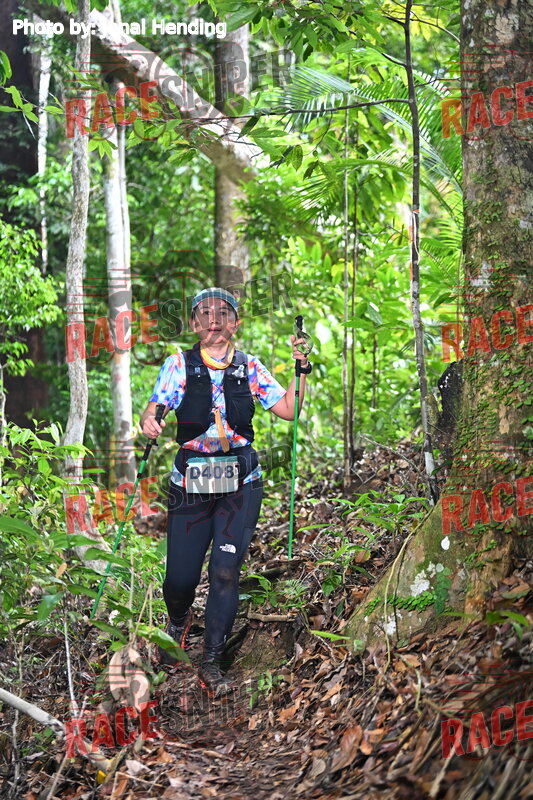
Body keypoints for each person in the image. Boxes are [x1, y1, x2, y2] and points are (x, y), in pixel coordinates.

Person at [140, 287, 312, 697]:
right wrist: (149, 421)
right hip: (191, 484)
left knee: (224, 571)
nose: (214, 320)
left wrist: (301, 368)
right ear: (194, 323)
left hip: (240, 483)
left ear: (235, 323)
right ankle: (178, 622)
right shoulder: (178, 365)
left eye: (223, 313)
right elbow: (154, 407)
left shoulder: (250, 367)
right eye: (204, 313)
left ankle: (213, 661)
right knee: (180, 579)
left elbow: (289, 410)